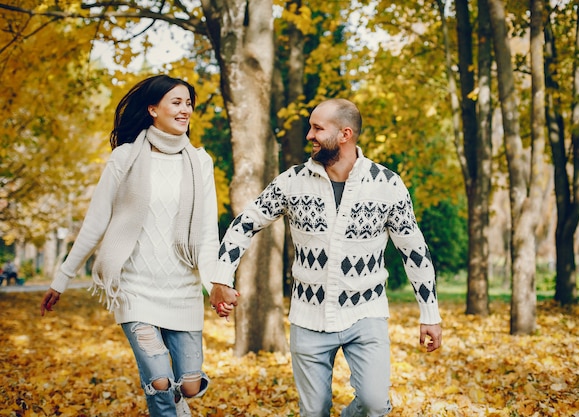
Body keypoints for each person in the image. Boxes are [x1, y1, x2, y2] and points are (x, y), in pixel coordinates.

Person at [210, 98, 443, 416]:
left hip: (366, 313)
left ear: (345, 134)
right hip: (308, 318)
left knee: (376, 404)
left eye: (317, 128)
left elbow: (414, 250)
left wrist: (429, 314)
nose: (309, 135)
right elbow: (244, 224)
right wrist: (221, 277)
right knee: (315, 411)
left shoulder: (387, 185)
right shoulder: (292, 182)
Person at [40, 75, 222, 417]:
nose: (185, 110)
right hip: (135, 289)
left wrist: (214, 285)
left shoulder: (201, 162)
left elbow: (207, 231)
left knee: (190, 384)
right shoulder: (125, 158)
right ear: (153, 109)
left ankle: (180, 401)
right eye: (176, 102)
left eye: (188, 103)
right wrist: (62, 278)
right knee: (159, 381)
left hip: (182, 289)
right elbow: (96, 222)